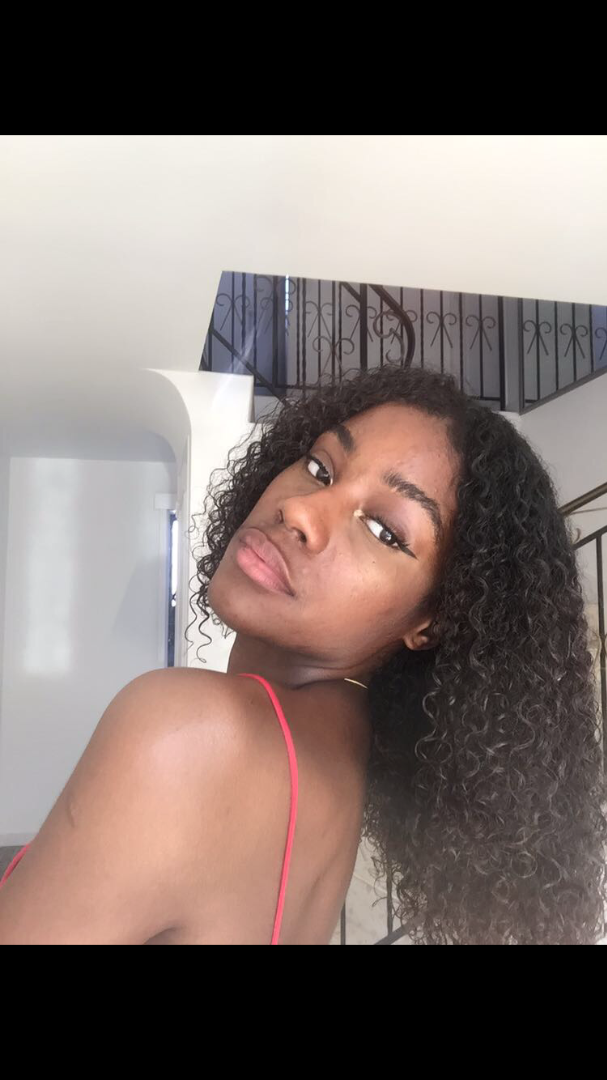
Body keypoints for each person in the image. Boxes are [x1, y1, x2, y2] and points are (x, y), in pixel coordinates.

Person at [1, 362, 606, 943]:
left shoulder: (189, 735)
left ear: (429, 623)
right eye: (320, 468)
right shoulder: (339, 755)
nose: (301, 510)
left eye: (384, 531)